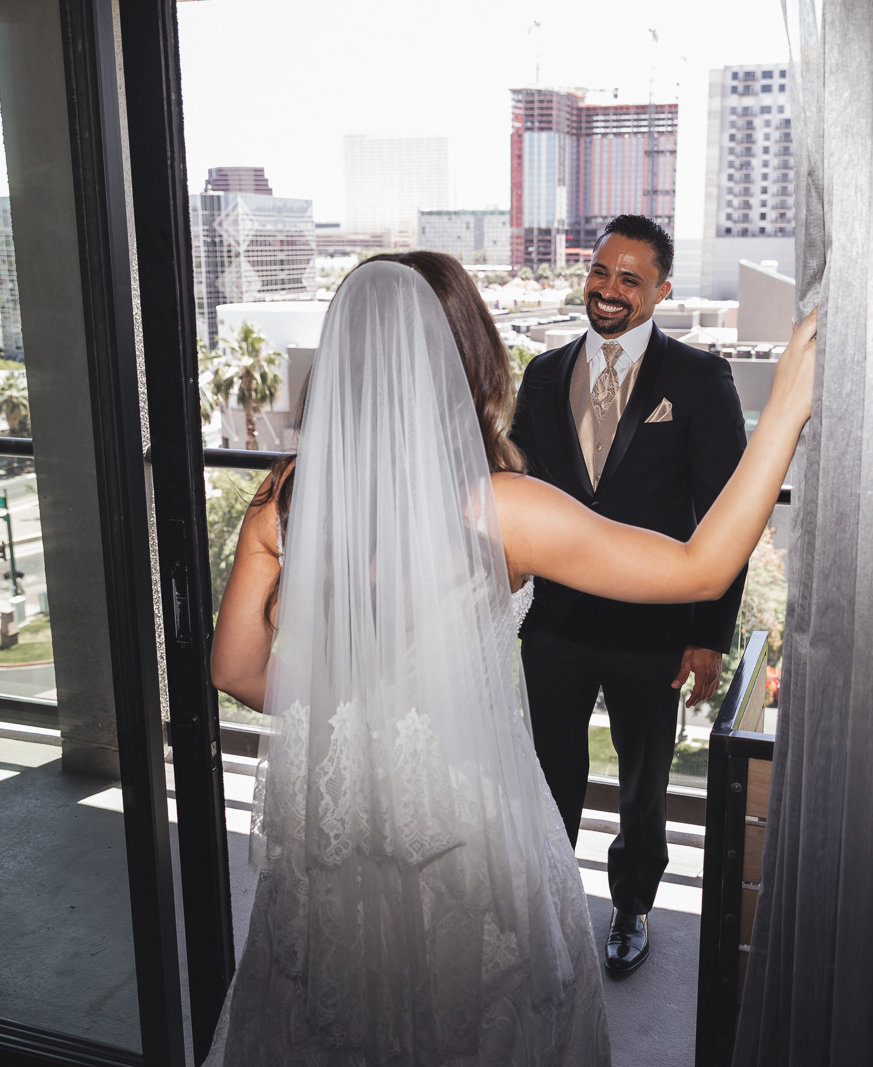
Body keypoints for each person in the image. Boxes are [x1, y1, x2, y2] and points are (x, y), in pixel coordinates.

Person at [207, 252, 816, 1064]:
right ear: (468, 355)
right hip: (470, 829)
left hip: (338, 821)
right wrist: (785, 412)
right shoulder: (499, 510)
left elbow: (235, 670)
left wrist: (353, 711)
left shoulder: (286, 495)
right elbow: (698, 568)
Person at [509, 214, 745, 974]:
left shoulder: (699, 379)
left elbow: (723, 517)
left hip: (653, 629)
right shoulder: (543, 374)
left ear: (661, 291)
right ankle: (549, 904)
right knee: (547, 774)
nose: (609, 290)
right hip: (555, 624)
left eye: (630, 279)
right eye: (600, 272)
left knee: (645, 784)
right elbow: (516, 489)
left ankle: (632, 906)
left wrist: (709, 634)